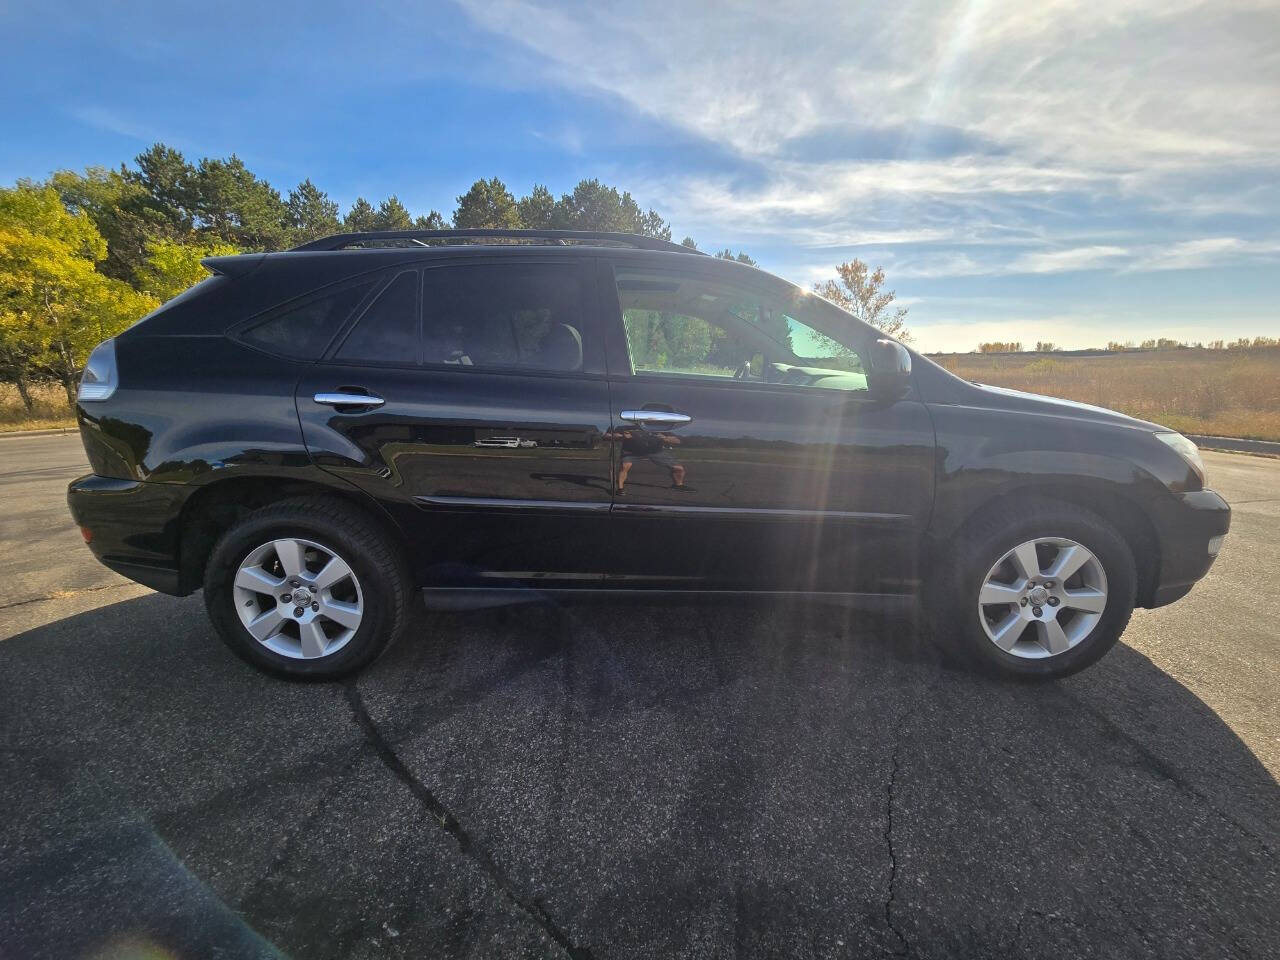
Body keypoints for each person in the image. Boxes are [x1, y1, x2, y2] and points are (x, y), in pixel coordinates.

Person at [609, 426, 687, 494]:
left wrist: (665, 438)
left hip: (655, 452)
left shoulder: (661, 430)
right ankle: (620, 488)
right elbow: (607, 436)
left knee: (679, 468)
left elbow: (678, 441)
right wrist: (621, 436)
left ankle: (678, 485)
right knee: (625, 466)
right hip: (631, 452)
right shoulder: (626, 428)